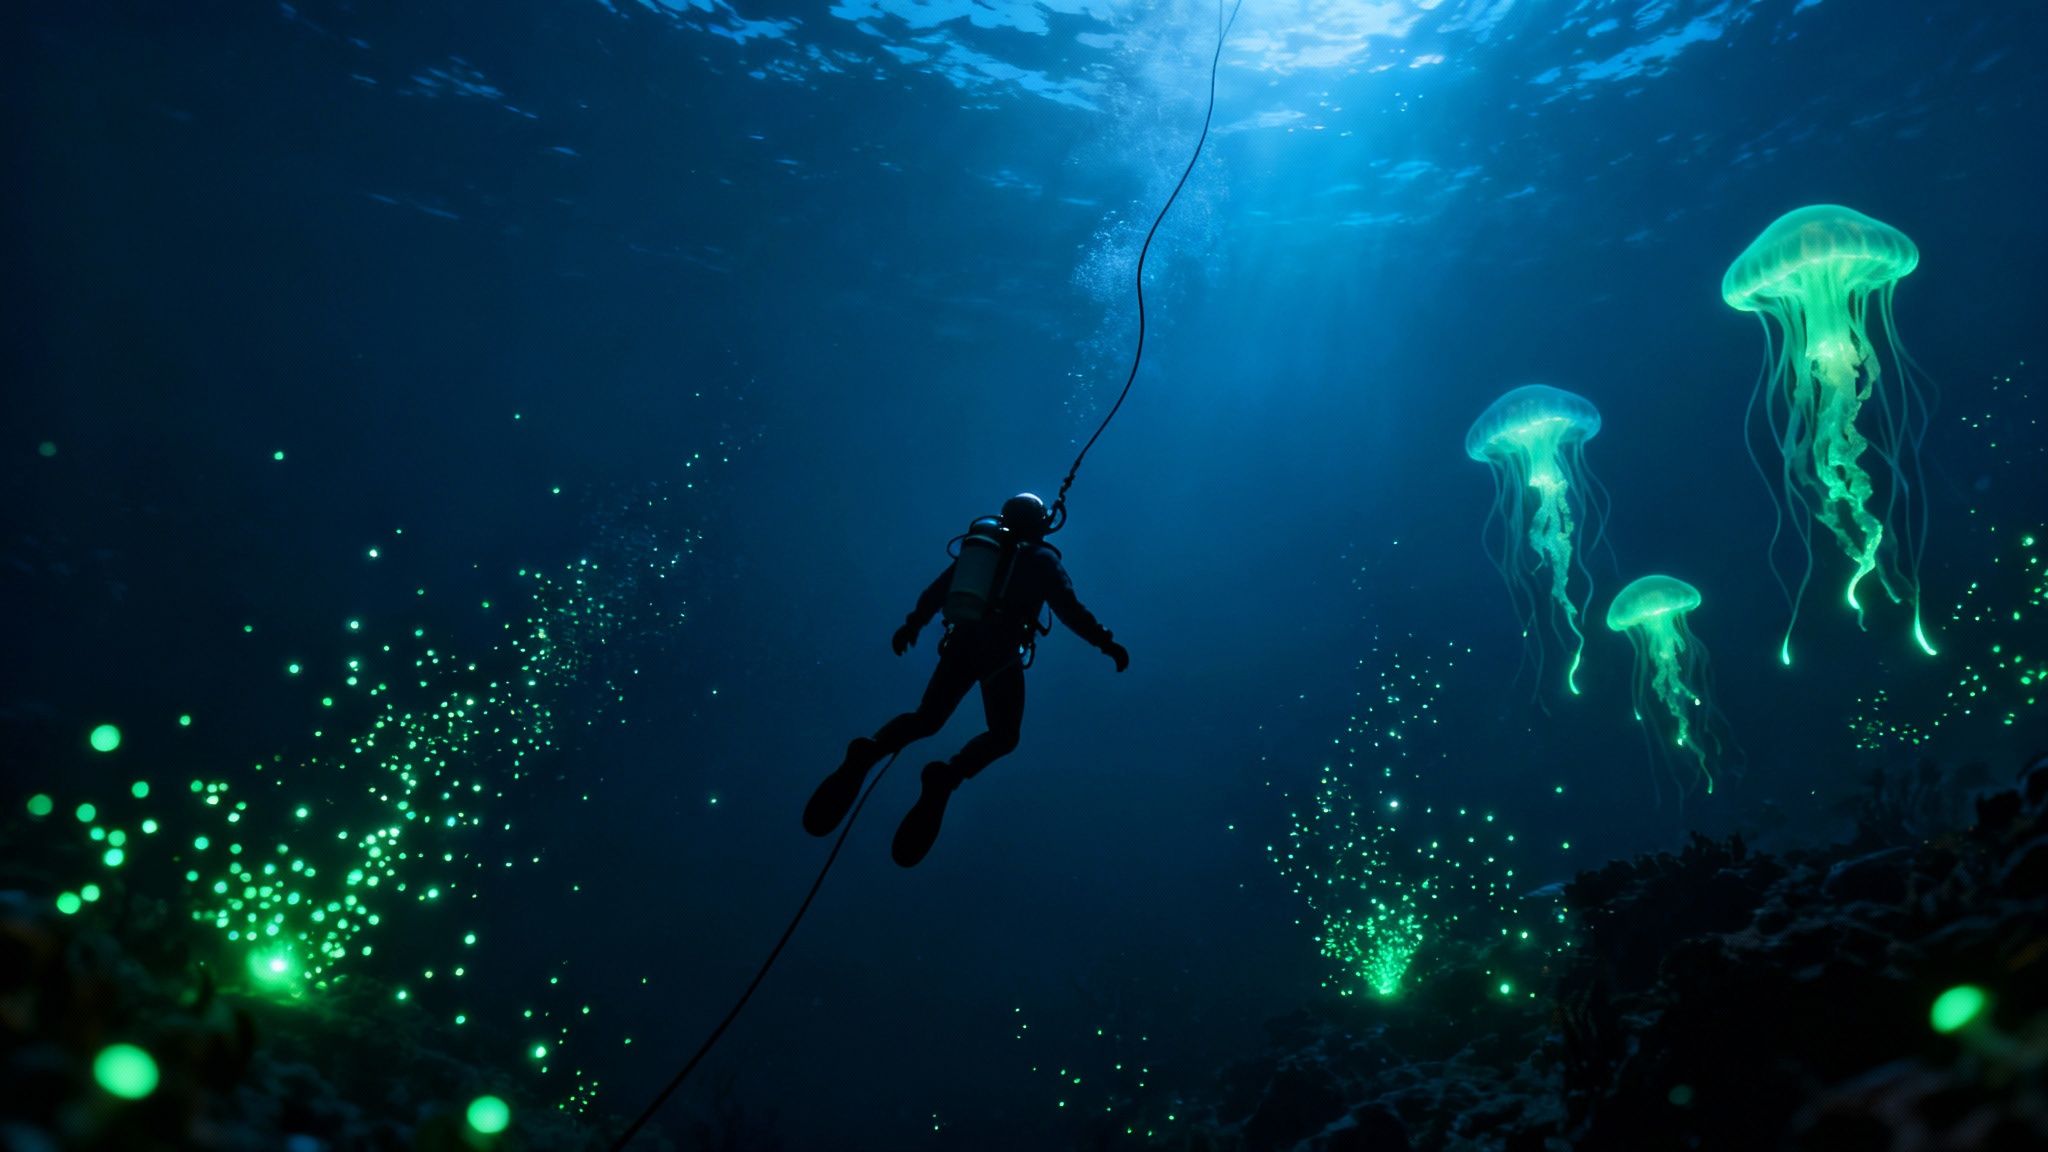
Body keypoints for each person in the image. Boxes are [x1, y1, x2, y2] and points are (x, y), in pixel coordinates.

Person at [803, 492, 1129, 867]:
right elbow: (1070, 610)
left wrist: (912, 625)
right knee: (1004, 735)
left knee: (926, 719)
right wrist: (1107, 643)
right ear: (1041, 523)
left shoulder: (983, 552)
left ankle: (870, 750)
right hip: (998, 653)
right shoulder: (1041, 560)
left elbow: (939, 589)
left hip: (961, 644)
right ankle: (948, 776)